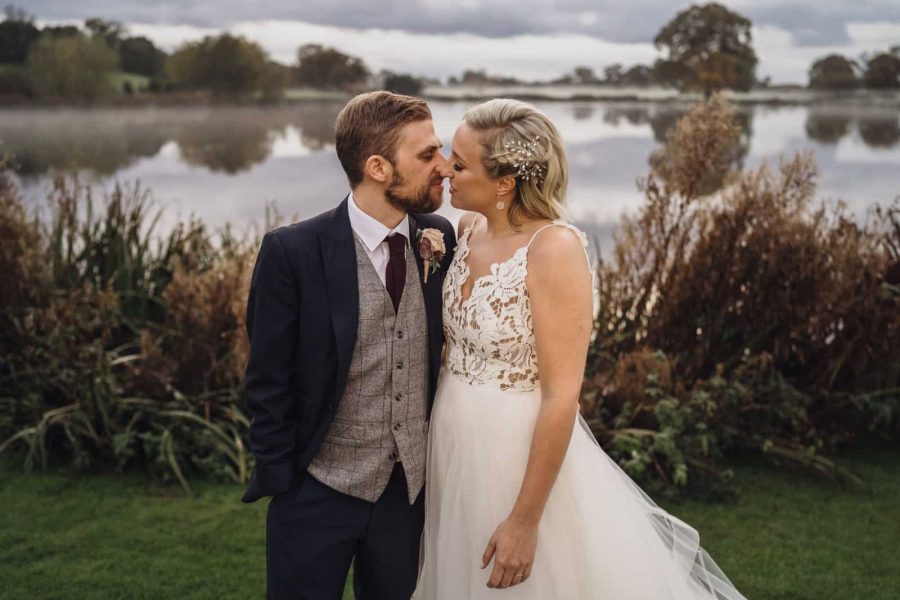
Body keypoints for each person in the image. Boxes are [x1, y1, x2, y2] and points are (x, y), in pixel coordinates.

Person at [413, 98, 746, 599]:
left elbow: (561, 394)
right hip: (451, 438)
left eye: (459, 164)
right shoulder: (466, 230)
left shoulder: (555, 249)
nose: (445, 170)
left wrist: (525, 521)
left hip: (512, 453)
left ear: (505, 182)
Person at [242, 91, 455, 600]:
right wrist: (285, 480)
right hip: (317, 491)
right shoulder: (292, 252)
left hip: (408, 498)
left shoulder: (439, 238)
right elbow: (268, 379)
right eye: (427, 155)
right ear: (378, 167)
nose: (445, 166)